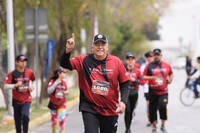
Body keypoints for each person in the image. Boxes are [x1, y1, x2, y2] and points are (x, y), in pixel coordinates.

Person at [60, 33, 130, 133]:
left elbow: (125, 83)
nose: (100, 47)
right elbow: (64, 64)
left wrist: (123, 101)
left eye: (103, 44)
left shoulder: (116, 62)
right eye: (97, 44)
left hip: (110, 109)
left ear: (107, 47)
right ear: (92, 47)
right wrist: (68, 51)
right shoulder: (83, 60)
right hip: (90, 107)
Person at [143, 49, 173, 133]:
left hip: (163, 91)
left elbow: (171, 73)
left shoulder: (166, 65)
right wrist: (152, 78)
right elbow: (143, 76)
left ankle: (163, 125)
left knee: (163, 107)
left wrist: (170, 79)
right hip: (152, 91)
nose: (156, 56)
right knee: (152, 110)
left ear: (161, 55)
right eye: (155, 55)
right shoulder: (149, 65)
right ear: (153, 56)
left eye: (158, 54)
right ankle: (154, 126)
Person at [4, 55, 35, 133]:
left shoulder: (29, 72)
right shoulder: (12, 74)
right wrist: (15, 85)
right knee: (17, 123)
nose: (24, 63)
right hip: (16, 100)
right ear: (16, 62)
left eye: (25, 61)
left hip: (26, 98)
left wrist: (32, 86)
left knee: (25, 116)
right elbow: (5, 86)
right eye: (21, 61)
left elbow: (33, 80)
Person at [124, 52, 142, 133]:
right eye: (128, 59)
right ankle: (127, 129)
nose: (130, 61)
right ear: (126, 60)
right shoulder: (123, 69)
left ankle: (129, 126)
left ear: (134, 60)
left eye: (132, 59)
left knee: (131, 111)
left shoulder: (137, 70)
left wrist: (135, 80)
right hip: (126, 92)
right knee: (127, 110)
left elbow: (142, 81)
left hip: (134, 92)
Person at [47, 66, 68, 133]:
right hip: (53, 105)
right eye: (63, 73)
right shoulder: (52, 81)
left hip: (62, 104)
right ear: (59, 73)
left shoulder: (64, 83)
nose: (64, 74)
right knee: (54, 122)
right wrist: (56, 83)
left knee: (62, 120)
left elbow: (66, 91)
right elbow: (49, 91)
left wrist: (66, 93)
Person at [141, 51, 154, 127]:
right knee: (148, 105)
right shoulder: (143, 66)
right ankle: (149, 120)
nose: (149, 58)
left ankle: (154, 119)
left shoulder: (156, 65)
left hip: (156, 89)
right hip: (147, 89)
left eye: (151, 57)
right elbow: (141, 77)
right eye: (148, 57)